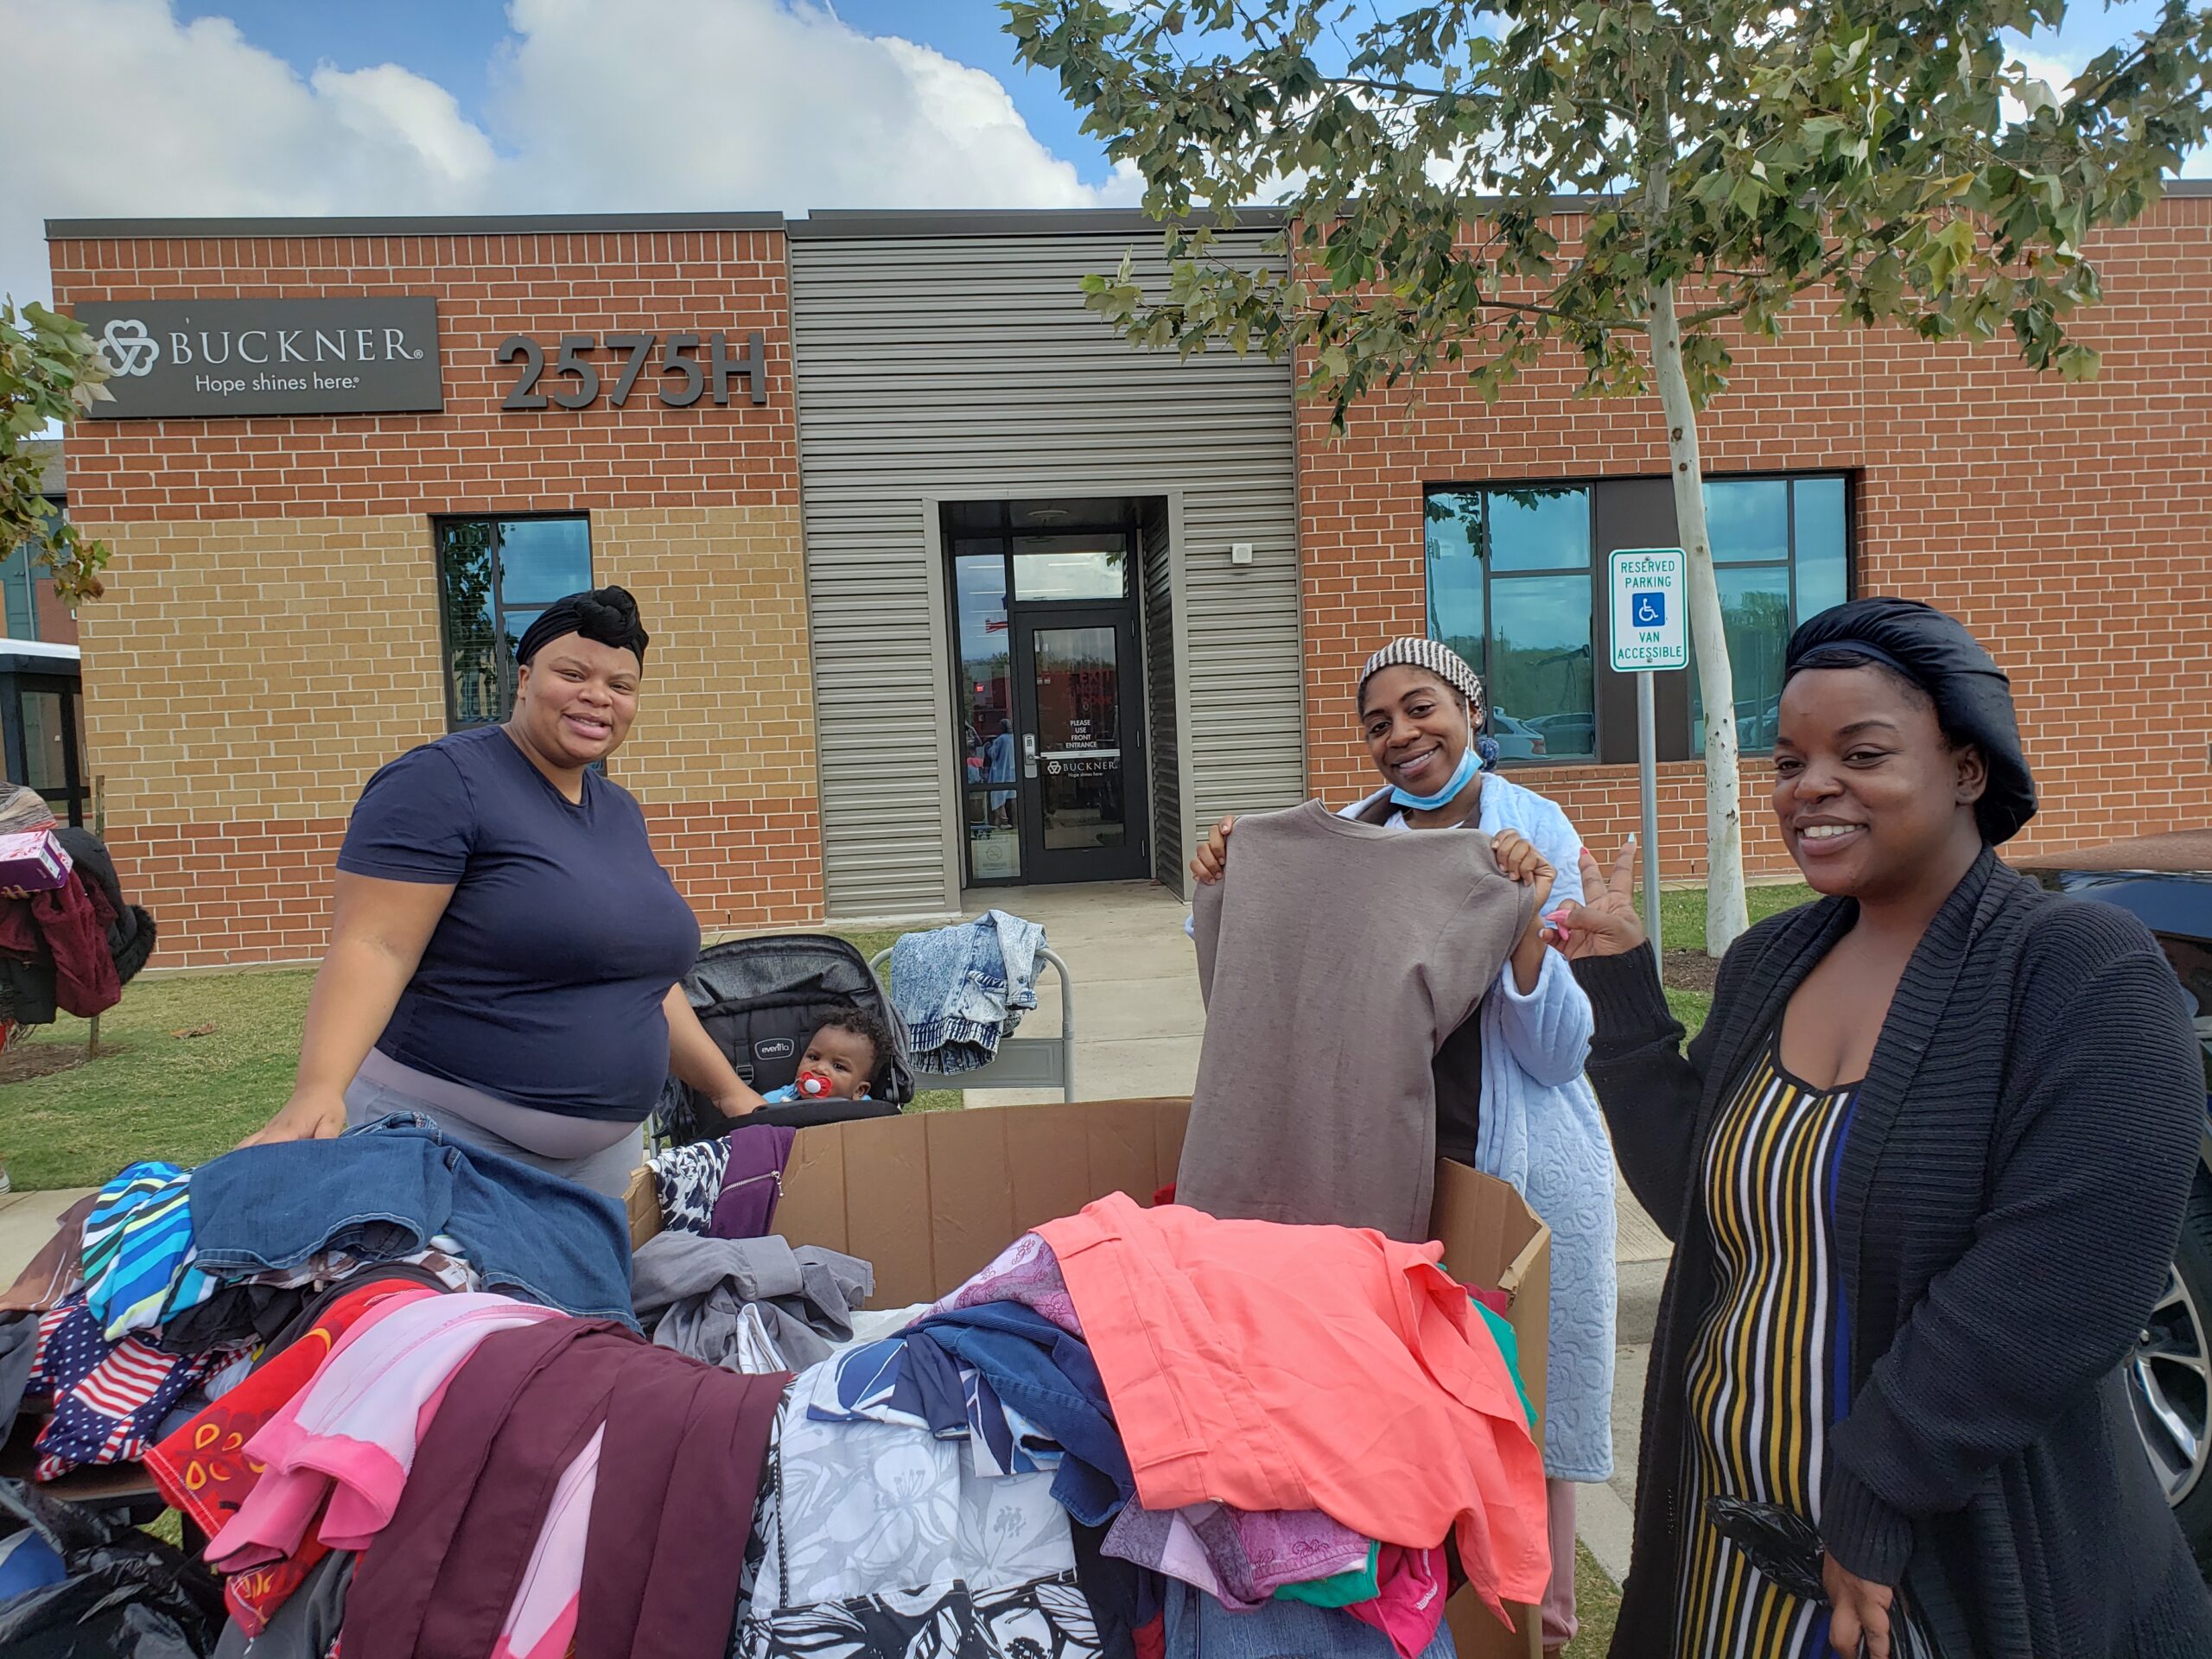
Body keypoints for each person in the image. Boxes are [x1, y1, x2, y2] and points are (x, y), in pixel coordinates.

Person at [1548, 597, 2212, 1657]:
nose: (1810, 786)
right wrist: (1623, 996)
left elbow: (2066, 1273)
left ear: (1966, 768)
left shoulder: (2075, 970)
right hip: (1727, 1553)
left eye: (1860, 753)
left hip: (1924, 1566)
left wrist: (1877, 1490)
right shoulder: (1775, 961)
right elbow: (1705, 1207)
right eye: (1787, 761)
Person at [1190, 636, 1615, 1656]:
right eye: (1377, 723)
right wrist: (1221, 883)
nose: (1400, 736)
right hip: (1382, 1164)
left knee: (1527, 1416)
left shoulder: (1531, 831)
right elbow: (1261, 988)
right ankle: (1420, 1607)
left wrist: (1525, 933)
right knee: (1411, 1409)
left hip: (1509, 1167)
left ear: (1470, 709)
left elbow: (1560, 1054)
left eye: (1420, 708)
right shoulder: (1343, 835)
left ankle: (1540, 1622)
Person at [241, 587, 765, 1196]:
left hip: (605, 1166)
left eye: (621, 686)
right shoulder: (441, 781)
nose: (598, 697)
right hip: (450, 1147)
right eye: (572, 673)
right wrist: (318, 1090)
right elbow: (375, 945)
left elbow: (640, 981)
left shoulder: (619, 811)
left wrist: (731, 1094)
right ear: (523, 678)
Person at [760, 1007, 890, 1103]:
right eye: (813, 1057)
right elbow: (755, 1113)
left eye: (838, 1066)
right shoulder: (780, 1100)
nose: (820, 1068)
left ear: (859, 1091)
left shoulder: (867, 1113)